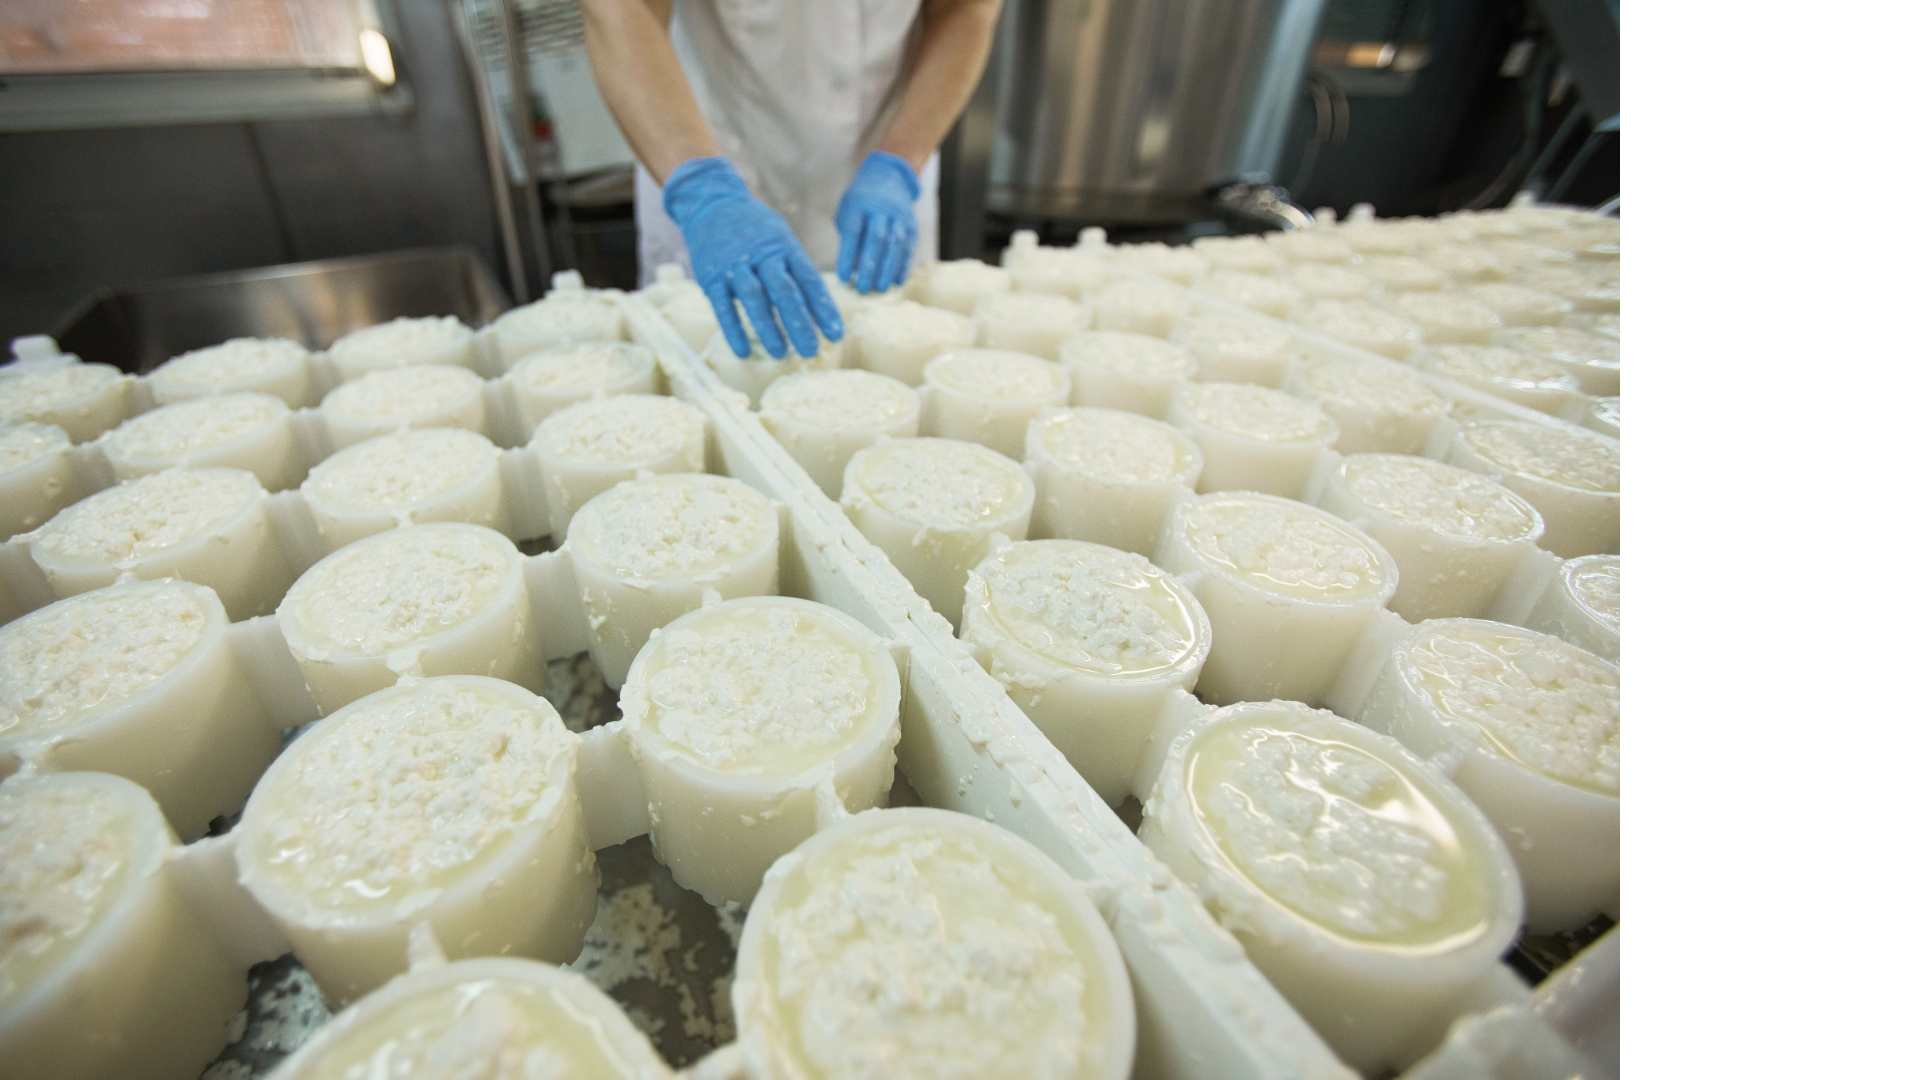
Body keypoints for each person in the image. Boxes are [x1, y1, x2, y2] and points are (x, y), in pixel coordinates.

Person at [580, 0, 1002, 360]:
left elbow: (966, 9)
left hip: (887, 153)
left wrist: (900, 160)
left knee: (896, 361)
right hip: (703, 151)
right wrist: (701, 189)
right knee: (707, 370)